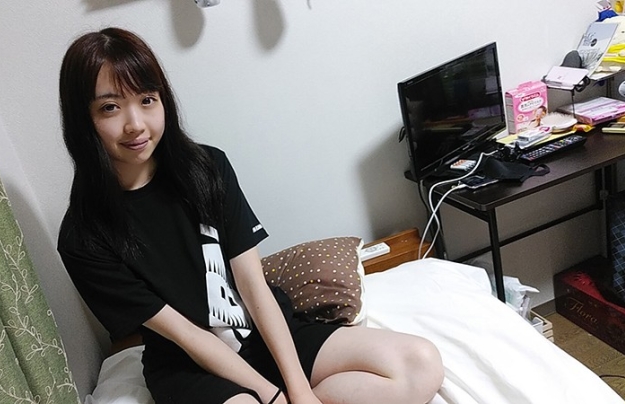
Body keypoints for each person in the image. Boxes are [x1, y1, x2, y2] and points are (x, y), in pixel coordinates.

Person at [57, 27, 444, 404]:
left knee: (420, 364)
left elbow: (252, 284)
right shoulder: (84, 237)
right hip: (190, 365)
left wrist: (299, 390)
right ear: (82, 118)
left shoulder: (207, 168)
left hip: (264, 333)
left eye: (147, 100)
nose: (136, 124)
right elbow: (188, 335)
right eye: (110, 107)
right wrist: (271, 395)